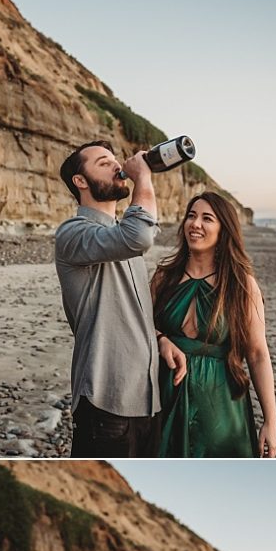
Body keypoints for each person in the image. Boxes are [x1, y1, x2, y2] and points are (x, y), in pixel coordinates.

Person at [55, 140, 186, 457]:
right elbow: (141, 235)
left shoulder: (118, 235)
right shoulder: (73, 233)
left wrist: (158, 338)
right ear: (81, 181)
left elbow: (128, 307)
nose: (117, 166)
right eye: (103, 162)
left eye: (116, 160)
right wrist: (144, 177)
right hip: (106, 399)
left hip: (146, 399)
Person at [151, 191, 276, 457]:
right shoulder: (164, 277)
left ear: (224, 230)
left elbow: (257, 354)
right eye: (191, 216)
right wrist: (161, 338)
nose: (195, 224)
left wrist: (271, 420)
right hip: (164, 395)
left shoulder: (241, 284)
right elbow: (140, 330)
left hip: (219, 401)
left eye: (207, 218)